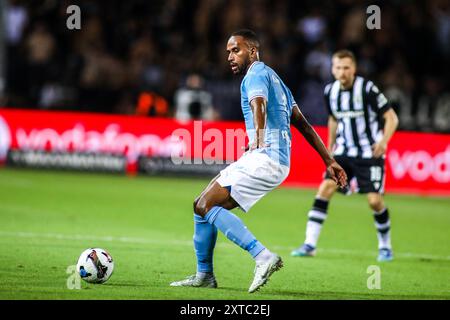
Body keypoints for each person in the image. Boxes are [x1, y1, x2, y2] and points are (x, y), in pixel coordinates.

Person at [170, 30, 347, 293]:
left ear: (252, 51)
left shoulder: (254, 75)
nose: (230, 56)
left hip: (265, 157)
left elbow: (258, 104)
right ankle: (204, 275)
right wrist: (329, 160)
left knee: (206, 205)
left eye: (236, 50)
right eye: (228, 51)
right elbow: (304, 125)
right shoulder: (277, 79)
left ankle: (262, 256)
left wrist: (259, 138)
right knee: (202, 206)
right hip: (274, 160)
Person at [291, 50, 399, 262]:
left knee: (374, 201)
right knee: (324, 189)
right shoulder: (330, 91)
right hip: (344, 152)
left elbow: (391, 118)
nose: (342, 72)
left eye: (346, 68)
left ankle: (385, 247)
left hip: (370, 153)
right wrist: (330, 148)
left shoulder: (367, 88)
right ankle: (309, 244)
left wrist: (383, 142)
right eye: (338, 68)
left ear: (354, 69)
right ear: (332, 69)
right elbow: (333, 119)